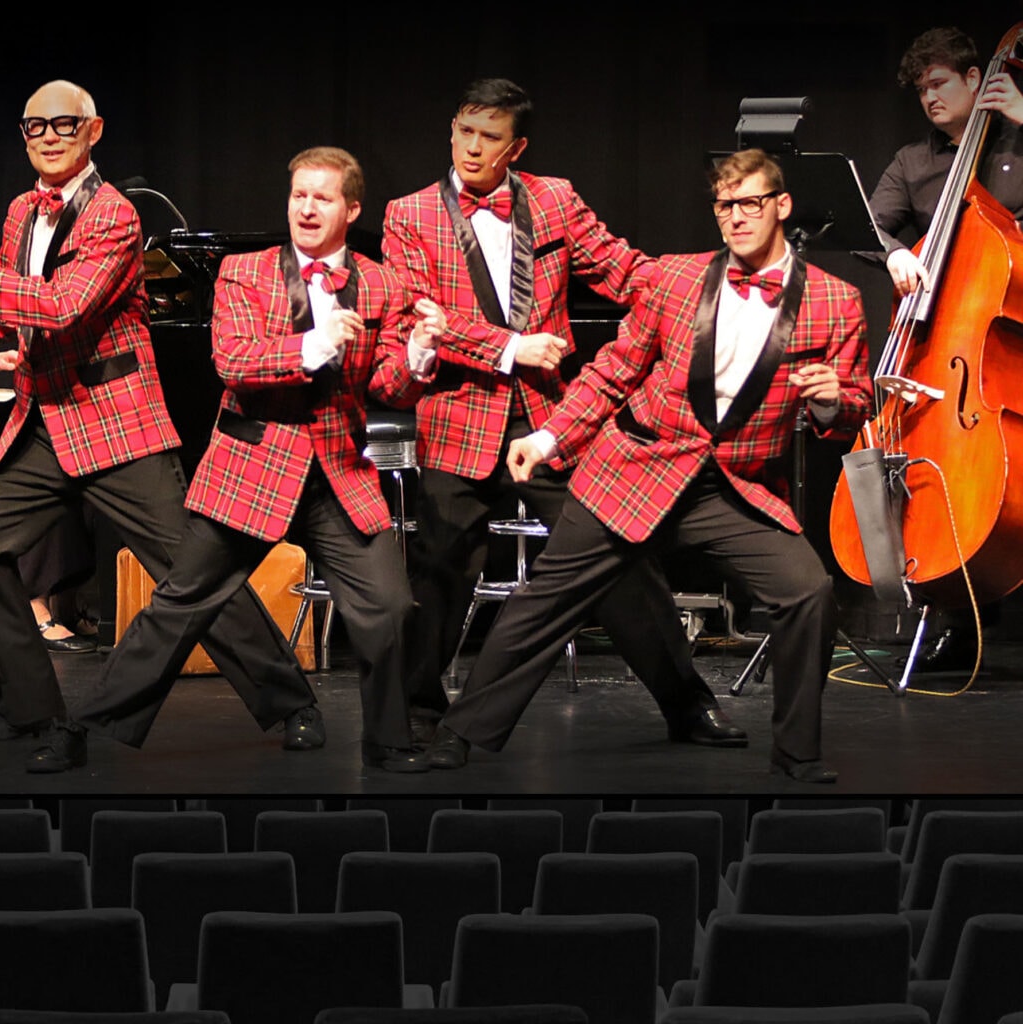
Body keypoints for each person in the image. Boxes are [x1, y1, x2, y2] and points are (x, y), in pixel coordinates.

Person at [424, 148, 873, 784]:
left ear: (782, 206)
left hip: (732, 488)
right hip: (636, 467)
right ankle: (459, 732)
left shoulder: (835, 300)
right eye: (725, 205)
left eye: (750, 203)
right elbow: (614, 371)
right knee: (544, 604)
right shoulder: (676, 277)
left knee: (808, 592)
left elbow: (851, 407)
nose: (737, 217)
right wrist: (548, 437)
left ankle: (797, 752)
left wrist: (829, 402)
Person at [383, 77, 747, 751]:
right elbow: (413, 315)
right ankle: (420, 712)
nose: (472, 148)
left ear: (516, 147)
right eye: (465, 131)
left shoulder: (554, 199)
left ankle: (687, 704)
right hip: (459, 416)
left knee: (617, 553)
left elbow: (623, 269)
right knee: (440, 568)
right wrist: (511, 346)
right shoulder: (409, 214)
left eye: (490, 137)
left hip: (549, 417)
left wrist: (702, 291)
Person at [76, 146, 444, 773]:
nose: (307, 208)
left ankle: (388, 741)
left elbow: (387, 387)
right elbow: (235, 362)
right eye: (299, 195)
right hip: (253, 466)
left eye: (322, 197)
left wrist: (417, 355)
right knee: (181, 603)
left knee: (388, 606)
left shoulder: (384, 284)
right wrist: (313, 343)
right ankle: (88, 728)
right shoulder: (244, 272)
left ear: (352, 209)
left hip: (338, 473)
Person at [0, 79, 325, 773]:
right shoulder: (21, 212)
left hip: (117, 427)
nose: (49, 137)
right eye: (35, 127)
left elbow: (62, 306)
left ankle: (291, 702)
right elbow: (21, 307)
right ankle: (34, 712)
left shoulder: (113, 214)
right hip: (44, 421)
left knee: (190, 575)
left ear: (93, 131)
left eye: (63, 124)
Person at [868, 26, 1023, 671]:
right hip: (959, 349)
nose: (929, 97)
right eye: (920, 90)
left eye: (939, 83)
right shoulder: (913, 161)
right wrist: (895, 253)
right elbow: (870, 221)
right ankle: (958, 620)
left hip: (1013, 327)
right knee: (950, 477)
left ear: (975, 79)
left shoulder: (1018, 137)